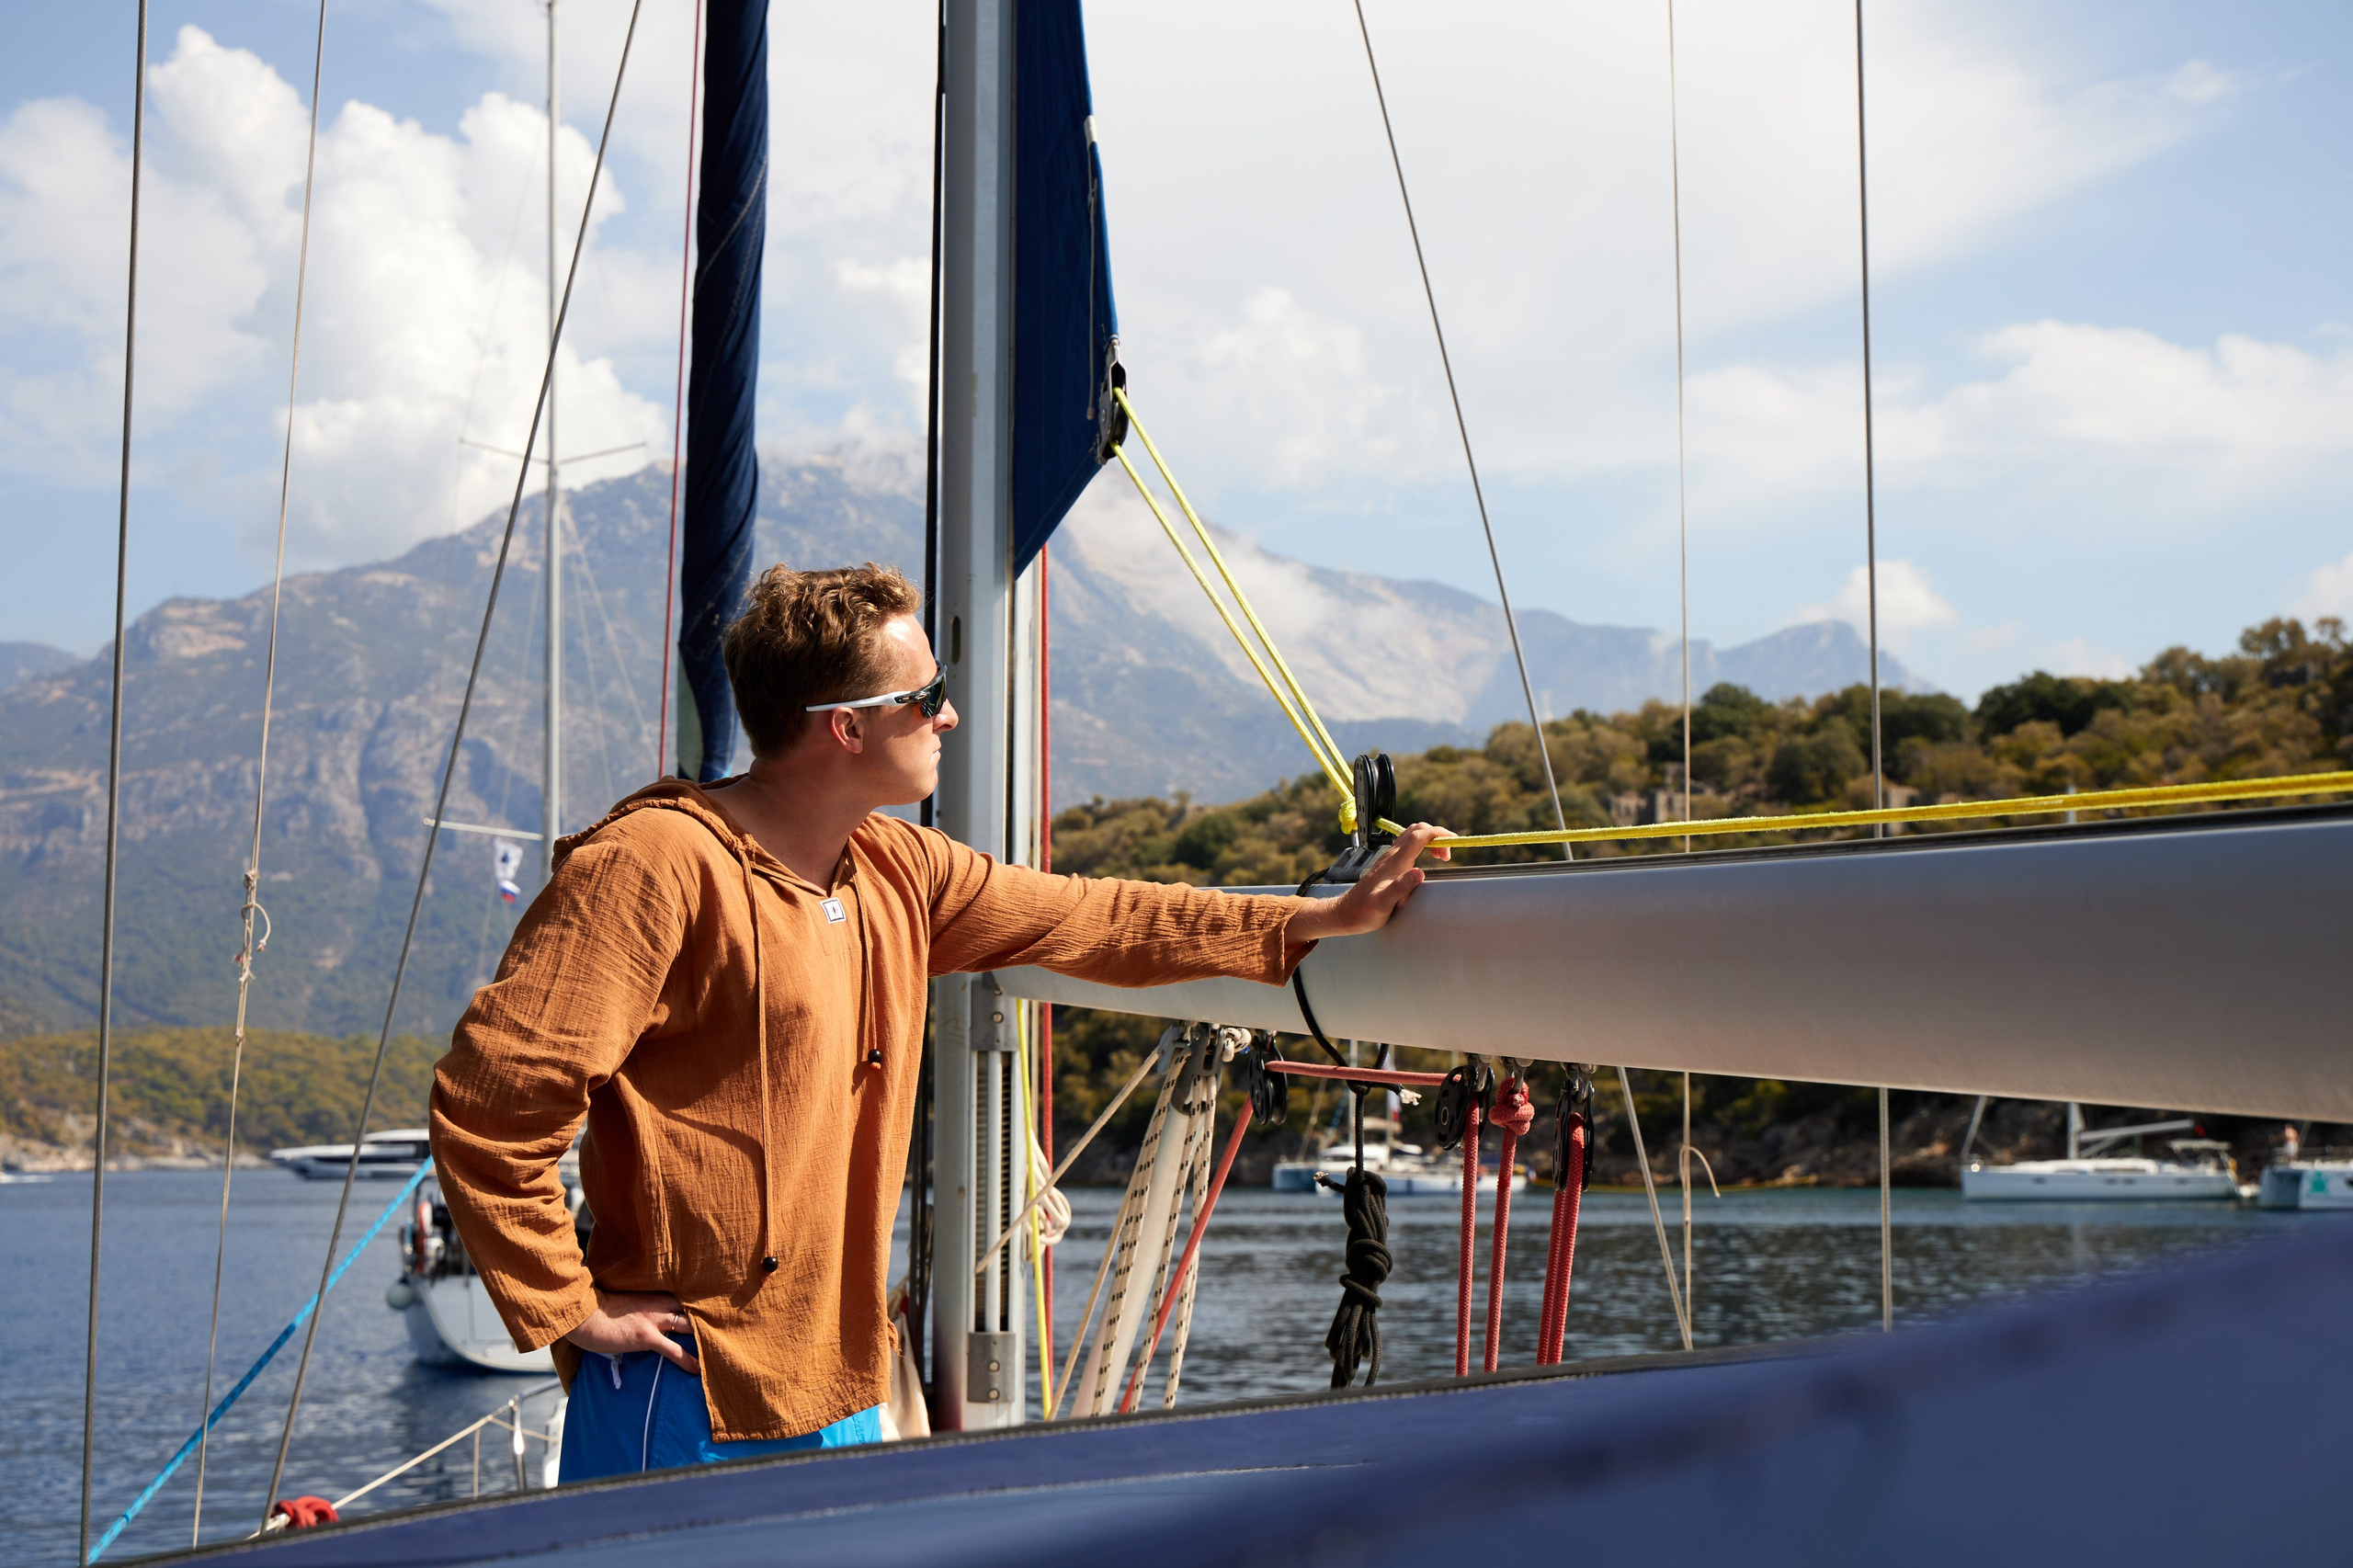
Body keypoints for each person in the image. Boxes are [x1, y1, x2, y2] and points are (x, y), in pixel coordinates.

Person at [429, 562, 1451, 1482]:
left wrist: (1318, 916)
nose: (949, 716)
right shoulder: (653, 865)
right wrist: (567, 1304)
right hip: (687, 1388)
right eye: (926, 696)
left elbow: (1099, 917)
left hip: (842, 1380)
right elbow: (492, 1104)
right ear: (847, 725)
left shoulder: (895, 866)